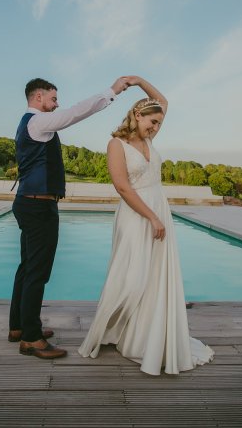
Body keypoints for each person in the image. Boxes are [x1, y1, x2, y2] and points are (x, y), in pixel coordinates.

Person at [78, 76, 214, 375]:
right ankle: (110, 331)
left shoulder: (150, 140)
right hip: (136, 214)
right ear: (137, 116)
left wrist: (140, 81)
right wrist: (152, 217)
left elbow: (162, 103)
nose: (155, 128)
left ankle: (143, 335)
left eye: (159, 125)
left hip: (158, 208)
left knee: (154, 276)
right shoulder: (116, 144)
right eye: (151, 122)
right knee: (131, 277)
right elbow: (123, 187)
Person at [8, 76, 132, 359]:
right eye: (53, 98)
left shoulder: (30, 123)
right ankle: (31, 338)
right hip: (38, 207)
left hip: (29, 203)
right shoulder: (37, 121)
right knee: (37, 272)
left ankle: (20, 326)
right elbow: (77, 111)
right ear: (38, 98)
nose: (57, 103)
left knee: (27, 268)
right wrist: (111, 91)